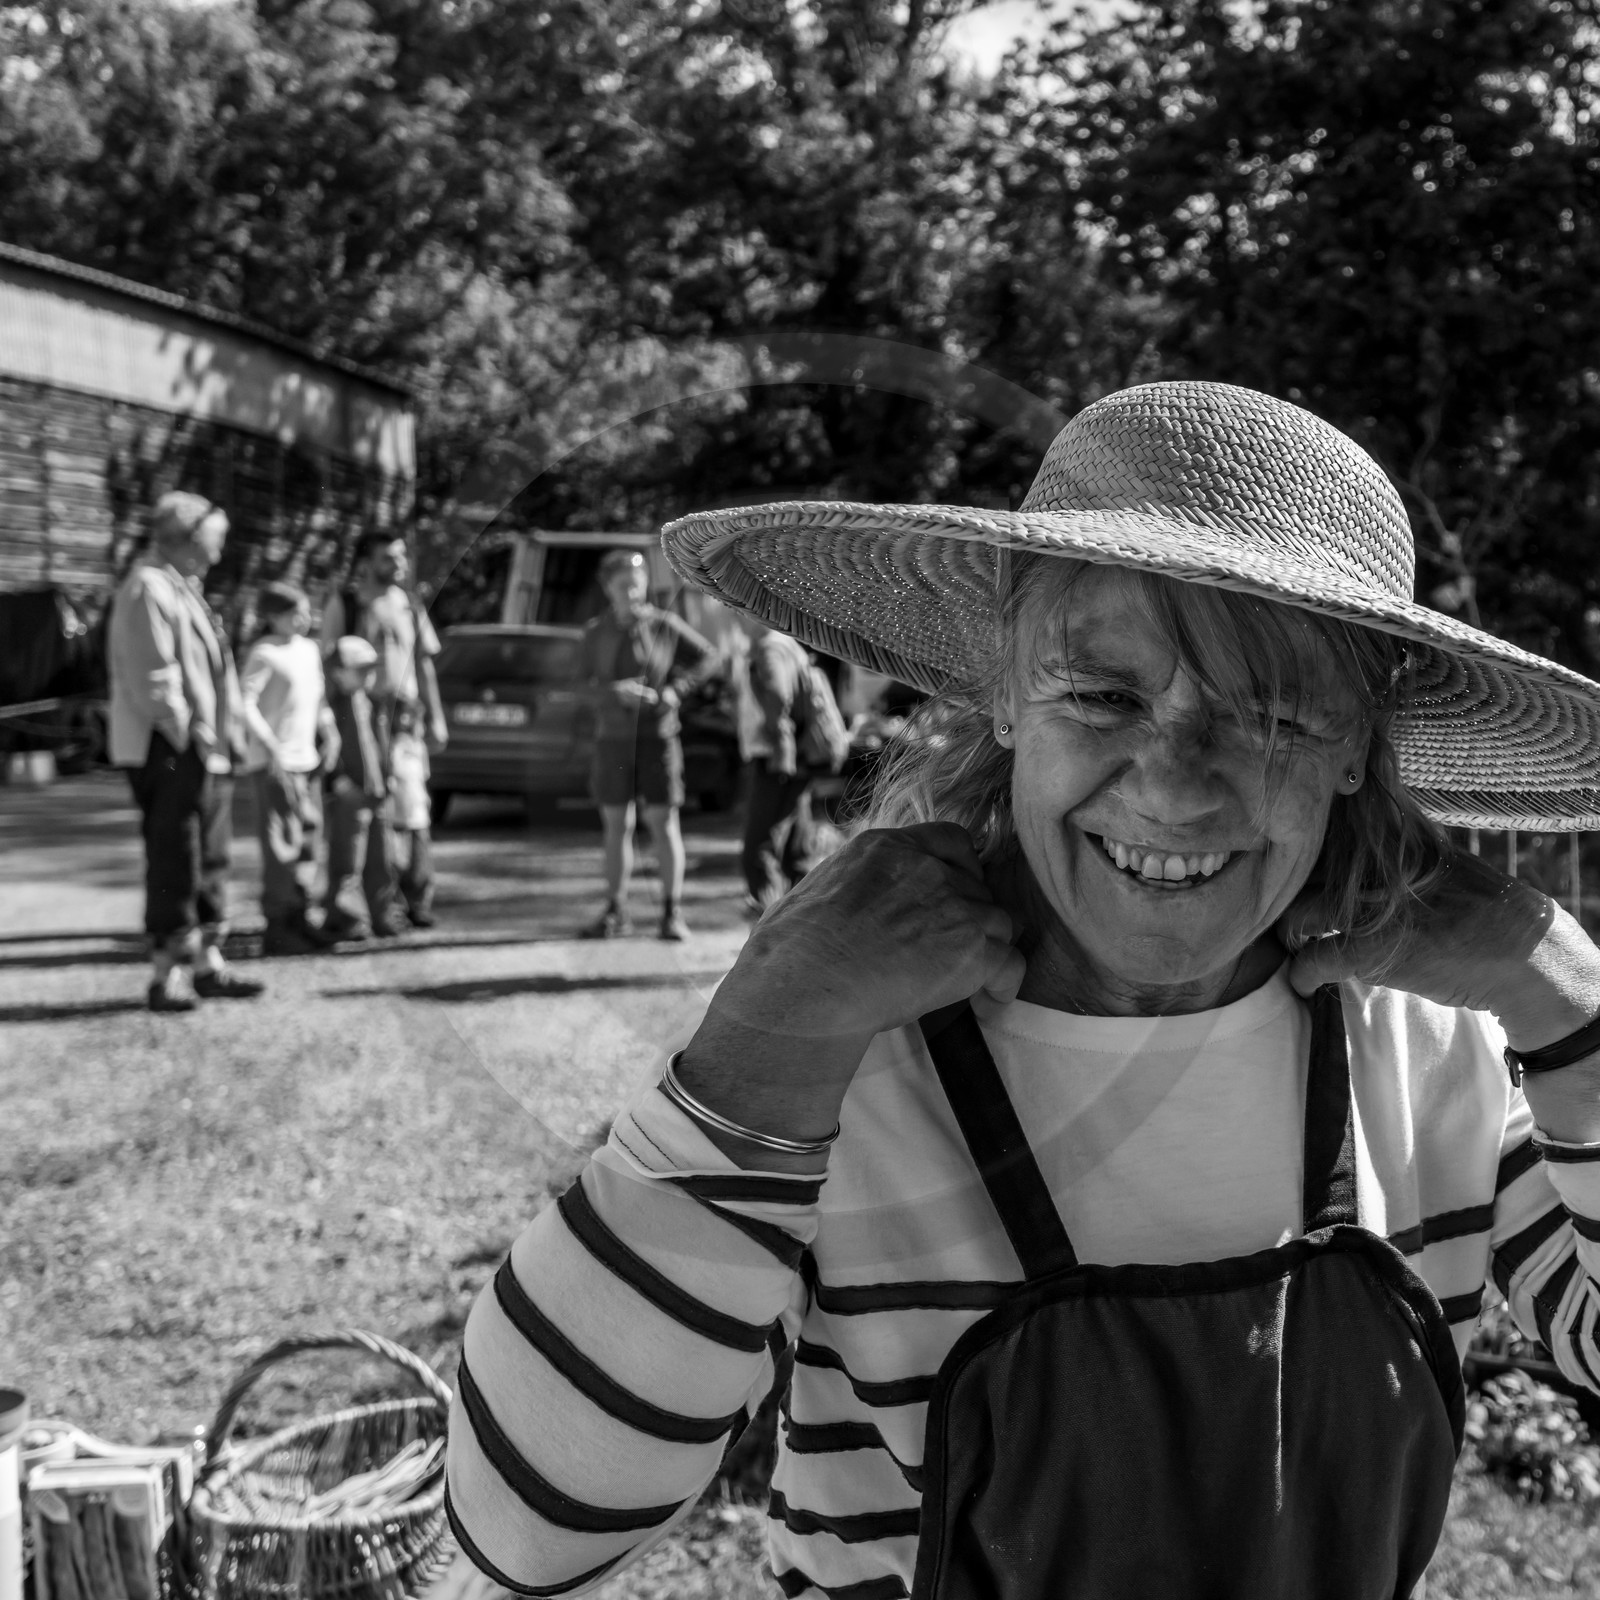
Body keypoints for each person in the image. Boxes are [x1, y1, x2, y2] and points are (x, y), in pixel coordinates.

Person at [446, 382, 1600, 1599]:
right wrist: (761, 1039)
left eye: (1270, 716)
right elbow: (528, 1526)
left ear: (1357, 742)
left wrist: (1569, 999)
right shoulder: (837, 1056)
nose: (1173, 788)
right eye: (1103, 695)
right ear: (1003, 687)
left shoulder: (1425, 1042)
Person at [107, 491, 265, 1012]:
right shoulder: (148, 587)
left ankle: (206, 965)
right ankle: (165, 975)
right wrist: (189, 737)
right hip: (171, 747)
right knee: (175, 857)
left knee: (210, 856)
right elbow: (153, 677)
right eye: (214, 540)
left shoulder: (183, 588)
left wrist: (220, 737)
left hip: (201, 747)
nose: (219, 553)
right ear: (188, 538)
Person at [577, 548, 715, 941]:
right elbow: (577, 685)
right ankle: (615, 911)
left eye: (637, 585)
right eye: (623, 586)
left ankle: (672, 912)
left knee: (662, 822)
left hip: (658, 737)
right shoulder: (595, 632)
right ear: (608, 588)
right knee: (616, 824)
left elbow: (708, 657)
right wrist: (612, 692)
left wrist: (675, 691)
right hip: (613, 740)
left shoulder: (663, 624)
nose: (632, 593)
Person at [321, 528, 447, 929]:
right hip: (362, 719)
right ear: (366, 563)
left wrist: (437, 717)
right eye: (388, 557)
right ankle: (371, 904)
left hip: (405, 720)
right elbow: (329, 665)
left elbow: (424, 663)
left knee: (413, 808)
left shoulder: (410, 604)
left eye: (401, 555)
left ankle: (416, 895)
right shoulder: (346, 603)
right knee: (370, 812)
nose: (399, 564)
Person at [238, 581, 340, 955]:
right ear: (273, 616)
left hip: (305, 760)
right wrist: (269, 744)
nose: (304, 619)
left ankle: (301, 915)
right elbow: (244, 702)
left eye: (305, 611)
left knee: (309, 840)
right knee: (282, 844)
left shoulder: (309, 650)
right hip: (274, 763)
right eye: (295, 613)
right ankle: (278, 926)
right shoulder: (264, 653)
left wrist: (330, 731)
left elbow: (318, 698)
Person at [736, 619, 822, 915]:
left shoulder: (770, 647)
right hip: (797, 758)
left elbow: (777, 696)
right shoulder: (788, 643)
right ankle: (805, 919)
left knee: (758, 852)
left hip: (777, 760)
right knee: (796, 854)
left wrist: (777, 738)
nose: (736, 619)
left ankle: (768, 921)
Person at [321, 636, 388, 943]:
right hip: (350, 794)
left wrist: (388, 778)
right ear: (337, 672)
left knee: (381, 857)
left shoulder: (371, 702)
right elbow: (325, 746)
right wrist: (338, 780)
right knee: (348, 859)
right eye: (360, 669)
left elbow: (380, 744)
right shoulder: (331, 706)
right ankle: (347, 917)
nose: (368, 675)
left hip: (376, 791)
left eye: (370, 668)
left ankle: (382, 913)